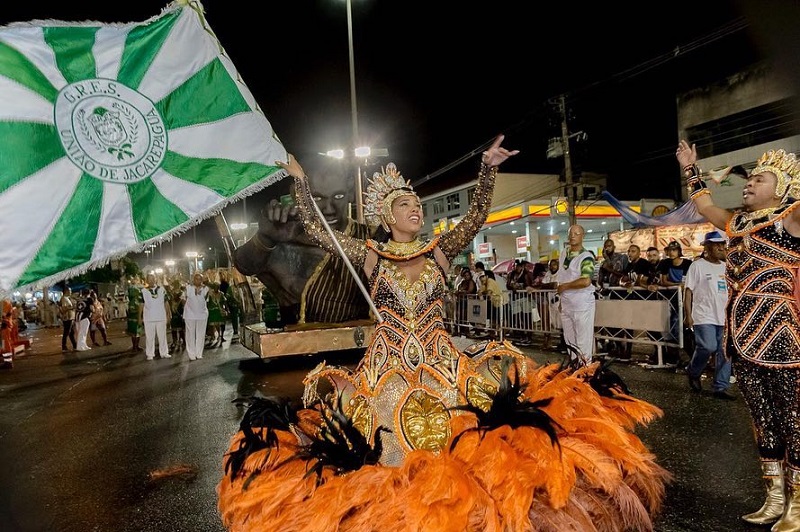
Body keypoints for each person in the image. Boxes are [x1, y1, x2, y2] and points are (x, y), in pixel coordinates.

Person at [218, 135, 668, 531]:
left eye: (417, 204)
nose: (416, 209)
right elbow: (318, 231)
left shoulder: (439, 250)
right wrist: (299, 180)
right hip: (387, 368)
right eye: (406, 205)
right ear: (388, 216)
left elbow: (473, 218)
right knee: (385, 449)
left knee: (472, 445)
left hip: (441, 360)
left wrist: (487, 170)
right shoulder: (371, 255)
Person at [678, 139, 800, 528]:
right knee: (762, 418)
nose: (749, 184)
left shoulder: (791, 217)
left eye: (760, 180)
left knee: (793, 419)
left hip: (780, 335)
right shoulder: (735, 223)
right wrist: (689, 169)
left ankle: (797, 505)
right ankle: (774, 496)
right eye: (749, 180)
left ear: (782, 189)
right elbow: (705, 205)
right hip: (741, 335)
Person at [233, 153, 372, 326]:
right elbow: (244, 265)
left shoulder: (369, 239)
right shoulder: (286, 237)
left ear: (351, 192)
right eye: (317, 198)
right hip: (300, 349)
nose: (329, 209)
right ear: (297, 193)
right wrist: (265, 238)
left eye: (338, 197)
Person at [683, 230, 732, 400]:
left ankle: (720, 387)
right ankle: (693, 371)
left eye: (722, 245)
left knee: (725, 353)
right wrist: (688, 315)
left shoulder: (727, 267)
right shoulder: (697, 266)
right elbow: (688, 291)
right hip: (704, 316)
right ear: (707, 247)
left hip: (724, 317)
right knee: (708, 346)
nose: (720, 248)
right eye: (717, 245)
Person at [556, 224, 597, 365]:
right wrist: (561, 301)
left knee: (583, 341)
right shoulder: (563, 253)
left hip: (582, 303)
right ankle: (574, 368)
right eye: (571, 233)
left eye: (576, 233)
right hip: (567, 304)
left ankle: (586, 371)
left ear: (582, 236)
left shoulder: (587, 257)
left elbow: (586, 281)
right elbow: (562, 277)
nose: (572, 236)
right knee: (570, 340)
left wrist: (565, 287)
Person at [139, 273, 171, 360]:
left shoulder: (162, 289)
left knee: (162, 336)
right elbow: (141, 304)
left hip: (161, 317)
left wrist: (168, 314)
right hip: (148, 318)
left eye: (153, 279)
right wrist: (139, 317)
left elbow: (166, 303)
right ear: (146, 281)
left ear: (155, 279)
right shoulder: (143, 291)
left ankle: (164, 352)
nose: (151, 280)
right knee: (149, 337)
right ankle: (150, 354)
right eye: (149, 279)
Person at [183, 272, 209, 361]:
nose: (198, 281)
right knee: (190, 335)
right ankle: (191, 354)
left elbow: (206, 300)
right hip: (190, 315)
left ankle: (199, 353)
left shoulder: (206, 289)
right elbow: (184, 299)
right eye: (196, 279)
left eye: (200, 279)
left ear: (202, 280)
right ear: (193, 280)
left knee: (201, 335)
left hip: (202, 314)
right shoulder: (188, 288)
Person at [126, 278, 144, 352]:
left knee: (134, 332)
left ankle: (135, 346)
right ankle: (135, 347)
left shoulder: (131, 299)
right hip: (136, 316)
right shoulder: (137, 298)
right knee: (137, 332)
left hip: (132, 316)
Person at [59, 287, 77, 352]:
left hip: (70, 318)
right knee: (66, 332)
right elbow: (64, 308)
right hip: (67, 318)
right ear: (66, 291)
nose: (71, 292)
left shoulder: (66, 298)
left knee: (71, 332)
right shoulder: (64, 299)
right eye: (70, 290)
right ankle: (64, 347)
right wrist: (72, 307)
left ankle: (75, 345)